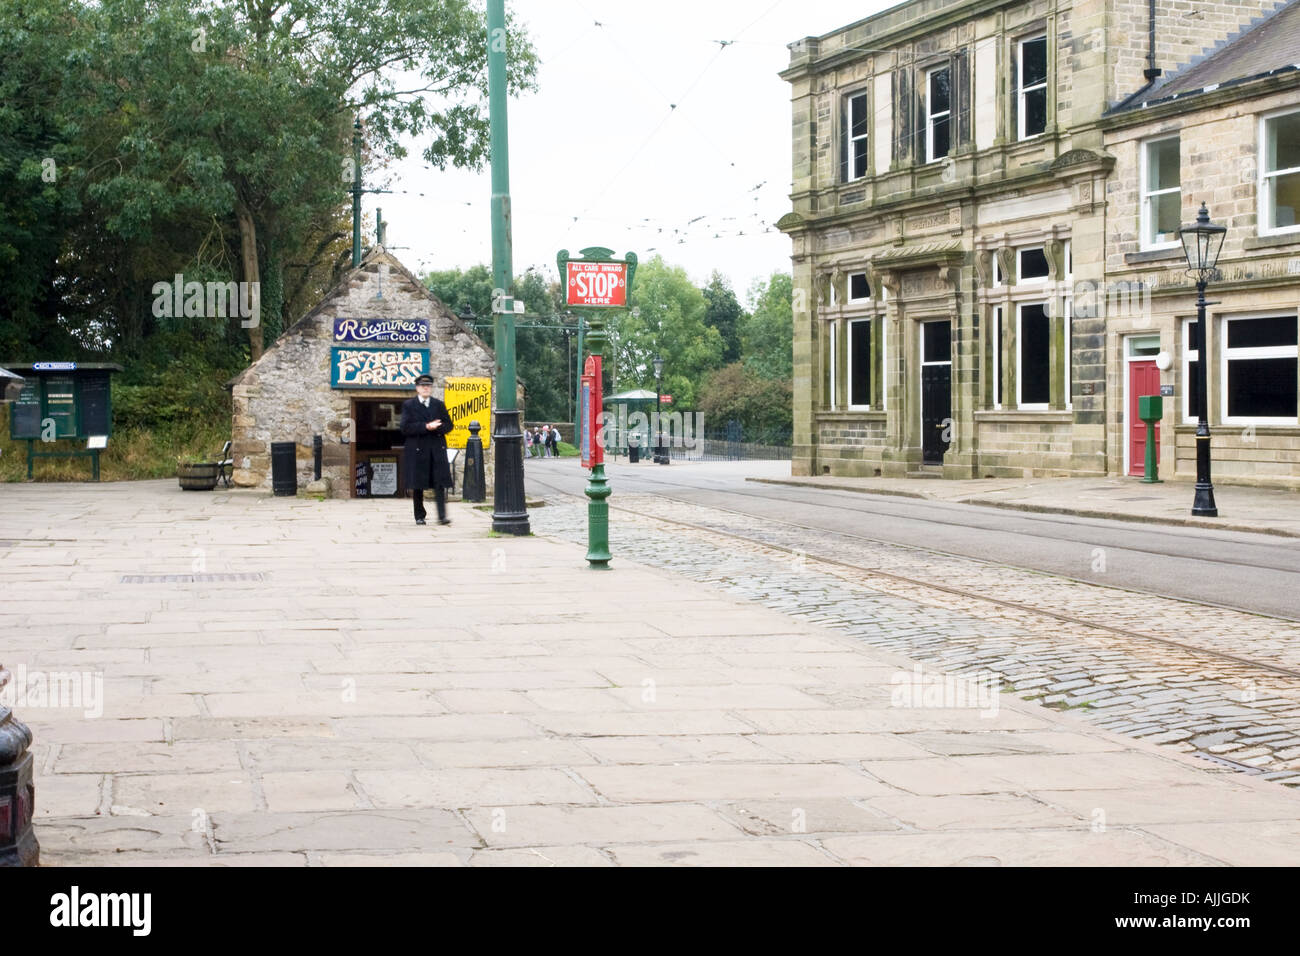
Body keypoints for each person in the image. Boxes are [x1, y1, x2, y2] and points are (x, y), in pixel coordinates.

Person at [399, 375, 455, 526]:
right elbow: (404, 427)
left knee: (439, 484)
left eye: (428, 386)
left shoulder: (438, 405)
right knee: (418, 485)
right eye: (423, 386)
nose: (426, 388)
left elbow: (449, 425)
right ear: (417, 388)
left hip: (436, 449)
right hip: (418, 450)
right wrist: (426, 426)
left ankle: (442, 516)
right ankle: (419, 515)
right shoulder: (409, 405)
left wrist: (438, 427)